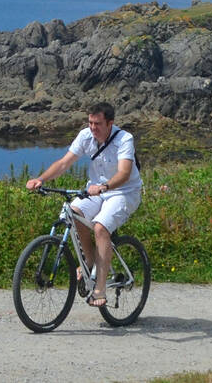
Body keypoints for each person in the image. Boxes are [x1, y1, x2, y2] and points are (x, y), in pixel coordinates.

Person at [25, 102, 140, 308]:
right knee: (73, 212)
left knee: (100, 227)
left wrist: (104, 186)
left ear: (110, 123)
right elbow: (64, 163)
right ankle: (89, 261)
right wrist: (41, 179)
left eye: (97, 123)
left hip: (123, 192)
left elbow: (123, 173)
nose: (92, 128)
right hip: (95, 190)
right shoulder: (85, 136)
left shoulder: (124, 139)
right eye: (90, 122)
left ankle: (100, 288)